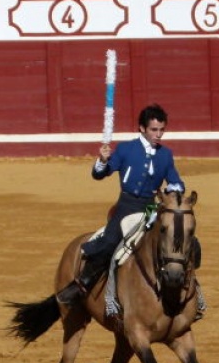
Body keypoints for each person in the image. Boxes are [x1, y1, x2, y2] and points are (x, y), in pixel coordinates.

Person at [57, 103, 206, 319]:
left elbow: (175, 181)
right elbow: (100, 174)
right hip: (127, 207)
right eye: (154, 130)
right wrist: (103, 160)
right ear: (142, 129)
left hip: (154, 208)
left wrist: (174, 191)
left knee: (185, 243)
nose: (158, 134)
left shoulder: (166, 155)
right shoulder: (126, 149)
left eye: (161, 130)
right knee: (110, 241)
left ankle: (191, 293)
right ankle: (82, 284)